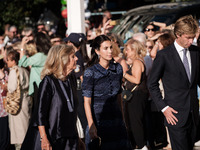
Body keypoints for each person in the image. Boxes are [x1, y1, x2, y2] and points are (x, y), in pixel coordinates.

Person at [148, 15, 200, 150]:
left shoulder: (195, 52)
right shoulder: (164, 55)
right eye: (188, 37)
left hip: (193, 114)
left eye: (193, 37)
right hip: (174, 115)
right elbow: (152, 84)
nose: (191, 40)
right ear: (178, 34)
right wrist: (164, 108)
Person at [21, 44, 80, 150]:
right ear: (63, 59)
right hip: (53, 138)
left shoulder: (71, 79)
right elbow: (40, 113)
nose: (76, 58)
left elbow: (72, 111)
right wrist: (44, 139)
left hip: (71, 139)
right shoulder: (49, 81)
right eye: (73, 56)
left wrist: (78, 139)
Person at [82, 35, 131, 150]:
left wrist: (123, 120)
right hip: (99, 121)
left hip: (116, 120)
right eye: (106, 48)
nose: (110, 51)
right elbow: (87, 101)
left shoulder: (118, 68)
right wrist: (91, 125)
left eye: (111, 47)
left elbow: (119, 96)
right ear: (97, 51)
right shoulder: (90, 72)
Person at [123, 39, 149, 150]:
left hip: (137, 95)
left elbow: (137, 80)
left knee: (135, 122)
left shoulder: (138, 62)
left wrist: (124, 73)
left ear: (134, 50)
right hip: (137, 95)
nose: (126, 52)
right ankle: (141, 144)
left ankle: (141, 146)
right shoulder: (137, 62)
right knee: (136, 121)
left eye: (128, 50)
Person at [18, 32, 51, 113]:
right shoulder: (49, 53)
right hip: (48, 85)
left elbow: (22, 63)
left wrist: (22, 45)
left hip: (38, 85)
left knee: (39, 111)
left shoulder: (39, 56)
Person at [6, 50, 31, 150]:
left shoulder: (14, 71)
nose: (7, 62)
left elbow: (12, 88)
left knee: (19, 131)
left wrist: (5, 87)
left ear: (13, 60)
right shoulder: (24, 70)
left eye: (8, 60)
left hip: (17, 103)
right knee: (25, 127)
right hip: (26, 100)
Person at [0, 58, 9, 150]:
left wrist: (2, 75)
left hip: (4, 112)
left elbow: (8, 87)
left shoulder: (5, 75)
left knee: (4, 140)